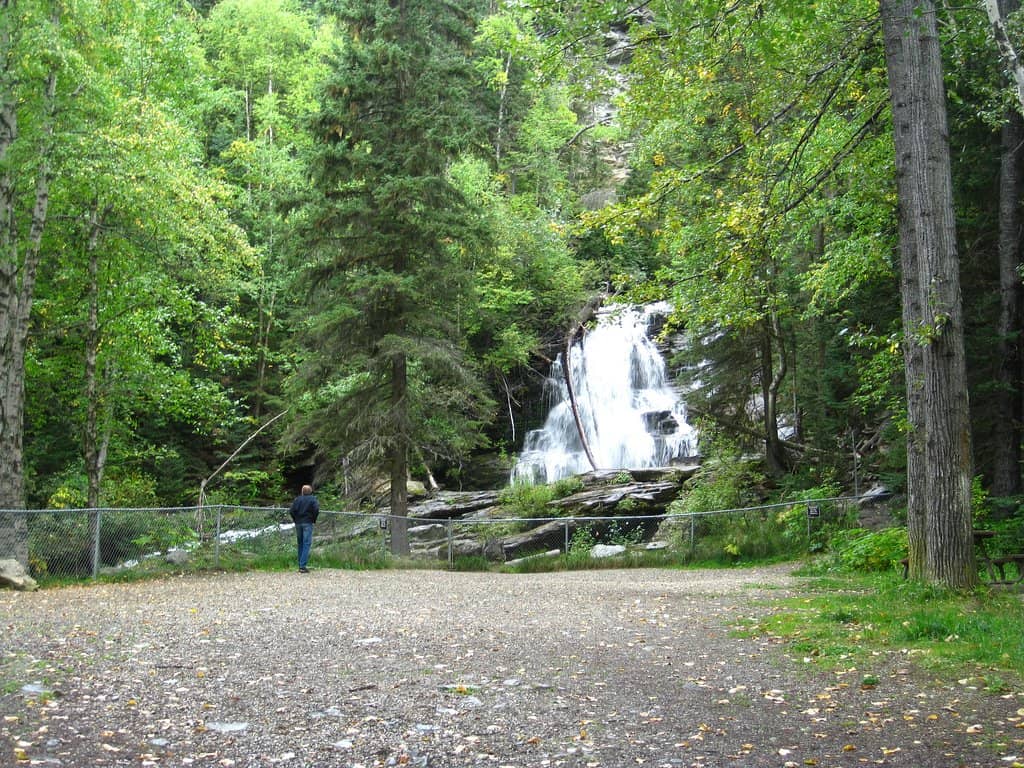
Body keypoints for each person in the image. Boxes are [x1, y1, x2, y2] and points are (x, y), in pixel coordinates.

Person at [289, 484, 319, 572]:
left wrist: (295, 519)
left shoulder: (297, 499)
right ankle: (302, 566)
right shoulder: (313, 499)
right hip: (308, 522)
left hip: (298, 523)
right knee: (306, 543)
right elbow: (316, 509)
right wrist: (313, 519)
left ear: (302, 491)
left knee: (300, 543)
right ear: (310, 491)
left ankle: (300, 564)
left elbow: (291, 511)